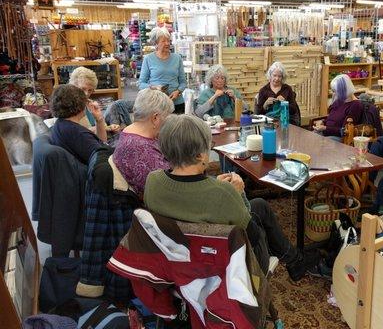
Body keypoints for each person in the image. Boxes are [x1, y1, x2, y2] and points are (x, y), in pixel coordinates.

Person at [144, 114, 326, 281]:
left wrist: (215, 183)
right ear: (200, 155)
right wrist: (238, 194)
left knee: (260, 205)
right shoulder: (223, 194)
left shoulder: (153, 181)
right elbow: (253, 236)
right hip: (226, 264)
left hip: (178, 259)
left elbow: (188, 194)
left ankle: (294, 260)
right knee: (256, 212)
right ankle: (294, 260)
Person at [112, 88, 175, 196]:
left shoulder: (130, 133)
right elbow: (167, 190)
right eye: (167, 117)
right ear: (155, 118)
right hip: (158, 205)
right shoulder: (140, 149)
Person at [50, 84, 105, 165]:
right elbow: (103, 158)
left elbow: (102, 144)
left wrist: (99, 120)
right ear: (81, 104)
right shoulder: (78, 134)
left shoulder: (60, 124)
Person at [139, 27, 187, 114]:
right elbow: (141, 84)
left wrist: (178, 91)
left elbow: (183, 82)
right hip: (157, 104)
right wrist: (154, 88)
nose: (167, 43)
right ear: (156, 43)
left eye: (168, 41)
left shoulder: (177, 58)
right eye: (163, 41)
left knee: (177, 127)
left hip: (177, 103)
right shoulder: (148, 59)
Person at [313, 74, 367, 140]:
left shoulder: (355, 105)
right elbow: (332, 118)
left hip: (340, 137)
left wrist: (325, 128)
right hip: (327, 133)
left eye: (335, 91)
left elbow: (344, 131)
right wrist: (323, 122)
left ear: (343, 91)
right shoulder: (339, 101)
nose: (334, 94)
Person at [69, 66, 110, 142]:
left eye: (90, 90)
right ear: (73, 87)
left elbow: (103, 141)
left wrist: (100, 121)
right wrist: (91, 130)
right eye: (82, 89)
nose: (86, 94)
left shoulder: (90, 104)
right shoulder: (67, 108)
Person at [256, 61, 300, 125]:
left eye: (279, 76)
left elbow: (294, 110)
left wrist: (285, 103)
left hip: (285, 122)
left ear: (282, 77)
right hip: (269, 123)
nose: (277, 78)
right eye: (274, 75)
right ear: (270, 75)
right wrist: (265, 105)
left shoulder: (287, 89)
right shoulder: (263, 90)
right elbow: (258, 114)